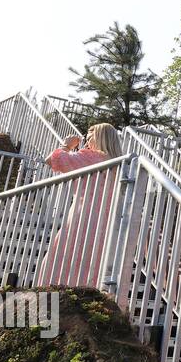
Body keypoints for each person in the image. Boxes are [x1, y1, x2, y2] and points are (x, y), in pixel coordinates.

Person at [41, 123, 123, 286]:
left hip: (83, 215)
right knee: (94, 261)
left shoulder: (90, 158)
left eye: (90, 135)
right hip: (108, 221)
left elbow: (52, 160)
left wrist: (67, 145)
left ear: (99, 138)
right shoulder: (119, 164)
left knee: (61, 257)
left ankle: (55, 295)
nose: (86, 140)